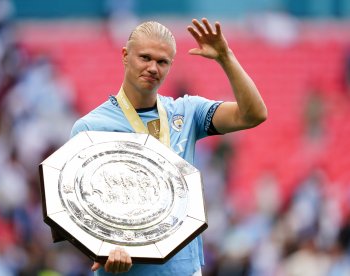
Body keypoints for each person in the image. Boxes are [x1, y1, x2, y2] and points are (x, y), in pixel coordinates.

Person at [70, 18, 267, 275]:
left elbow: (253, 114)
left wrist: (225, 57)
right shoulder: (90, 128)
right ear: (125, 56)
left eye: (162, 62)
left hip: (184, 270)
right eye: (145, 58)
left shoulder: (187, 113)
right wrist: (103, 248)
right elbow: (78, 209)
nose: (153, 67)